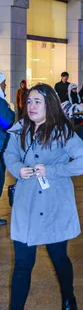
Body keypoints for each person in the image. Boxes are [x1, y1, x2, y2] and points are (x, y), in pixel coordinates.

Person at [0, 84, 83, 310]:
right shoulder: (19, 130)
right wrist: (18, 169)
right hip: (27, 205)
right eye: (29, 101)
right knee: (23, 265)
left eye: (37, 101)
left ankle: (69, 301)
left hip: (54, 206)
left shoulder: (62, 132)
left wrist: (52, 169)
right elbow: (9, 155)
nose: (32, 106)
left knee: (59, 258)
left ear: (49, 103)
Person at [0, 72, 15, 226]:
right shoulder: (0, 103)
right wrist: (10, 110)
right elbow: (7, 123)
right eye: (3, 82)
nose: (5, 85)